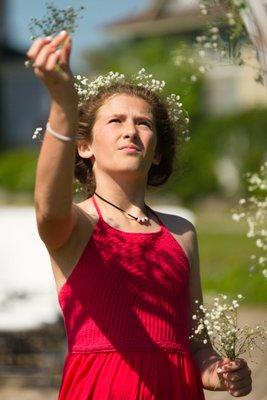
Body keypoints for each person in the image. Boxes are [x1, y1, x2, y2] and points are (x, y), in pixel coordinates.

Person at [26, 31, 252, 399]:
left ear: (158, 152)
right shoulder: (78, 224)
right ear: (84, 146)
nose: (131, 130)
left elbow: (196, 346)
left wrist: (220, 373)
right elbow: (47, 208)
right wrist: (63, 106)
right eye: (115, 121)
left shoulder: (181, 233)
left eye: (144, 123)